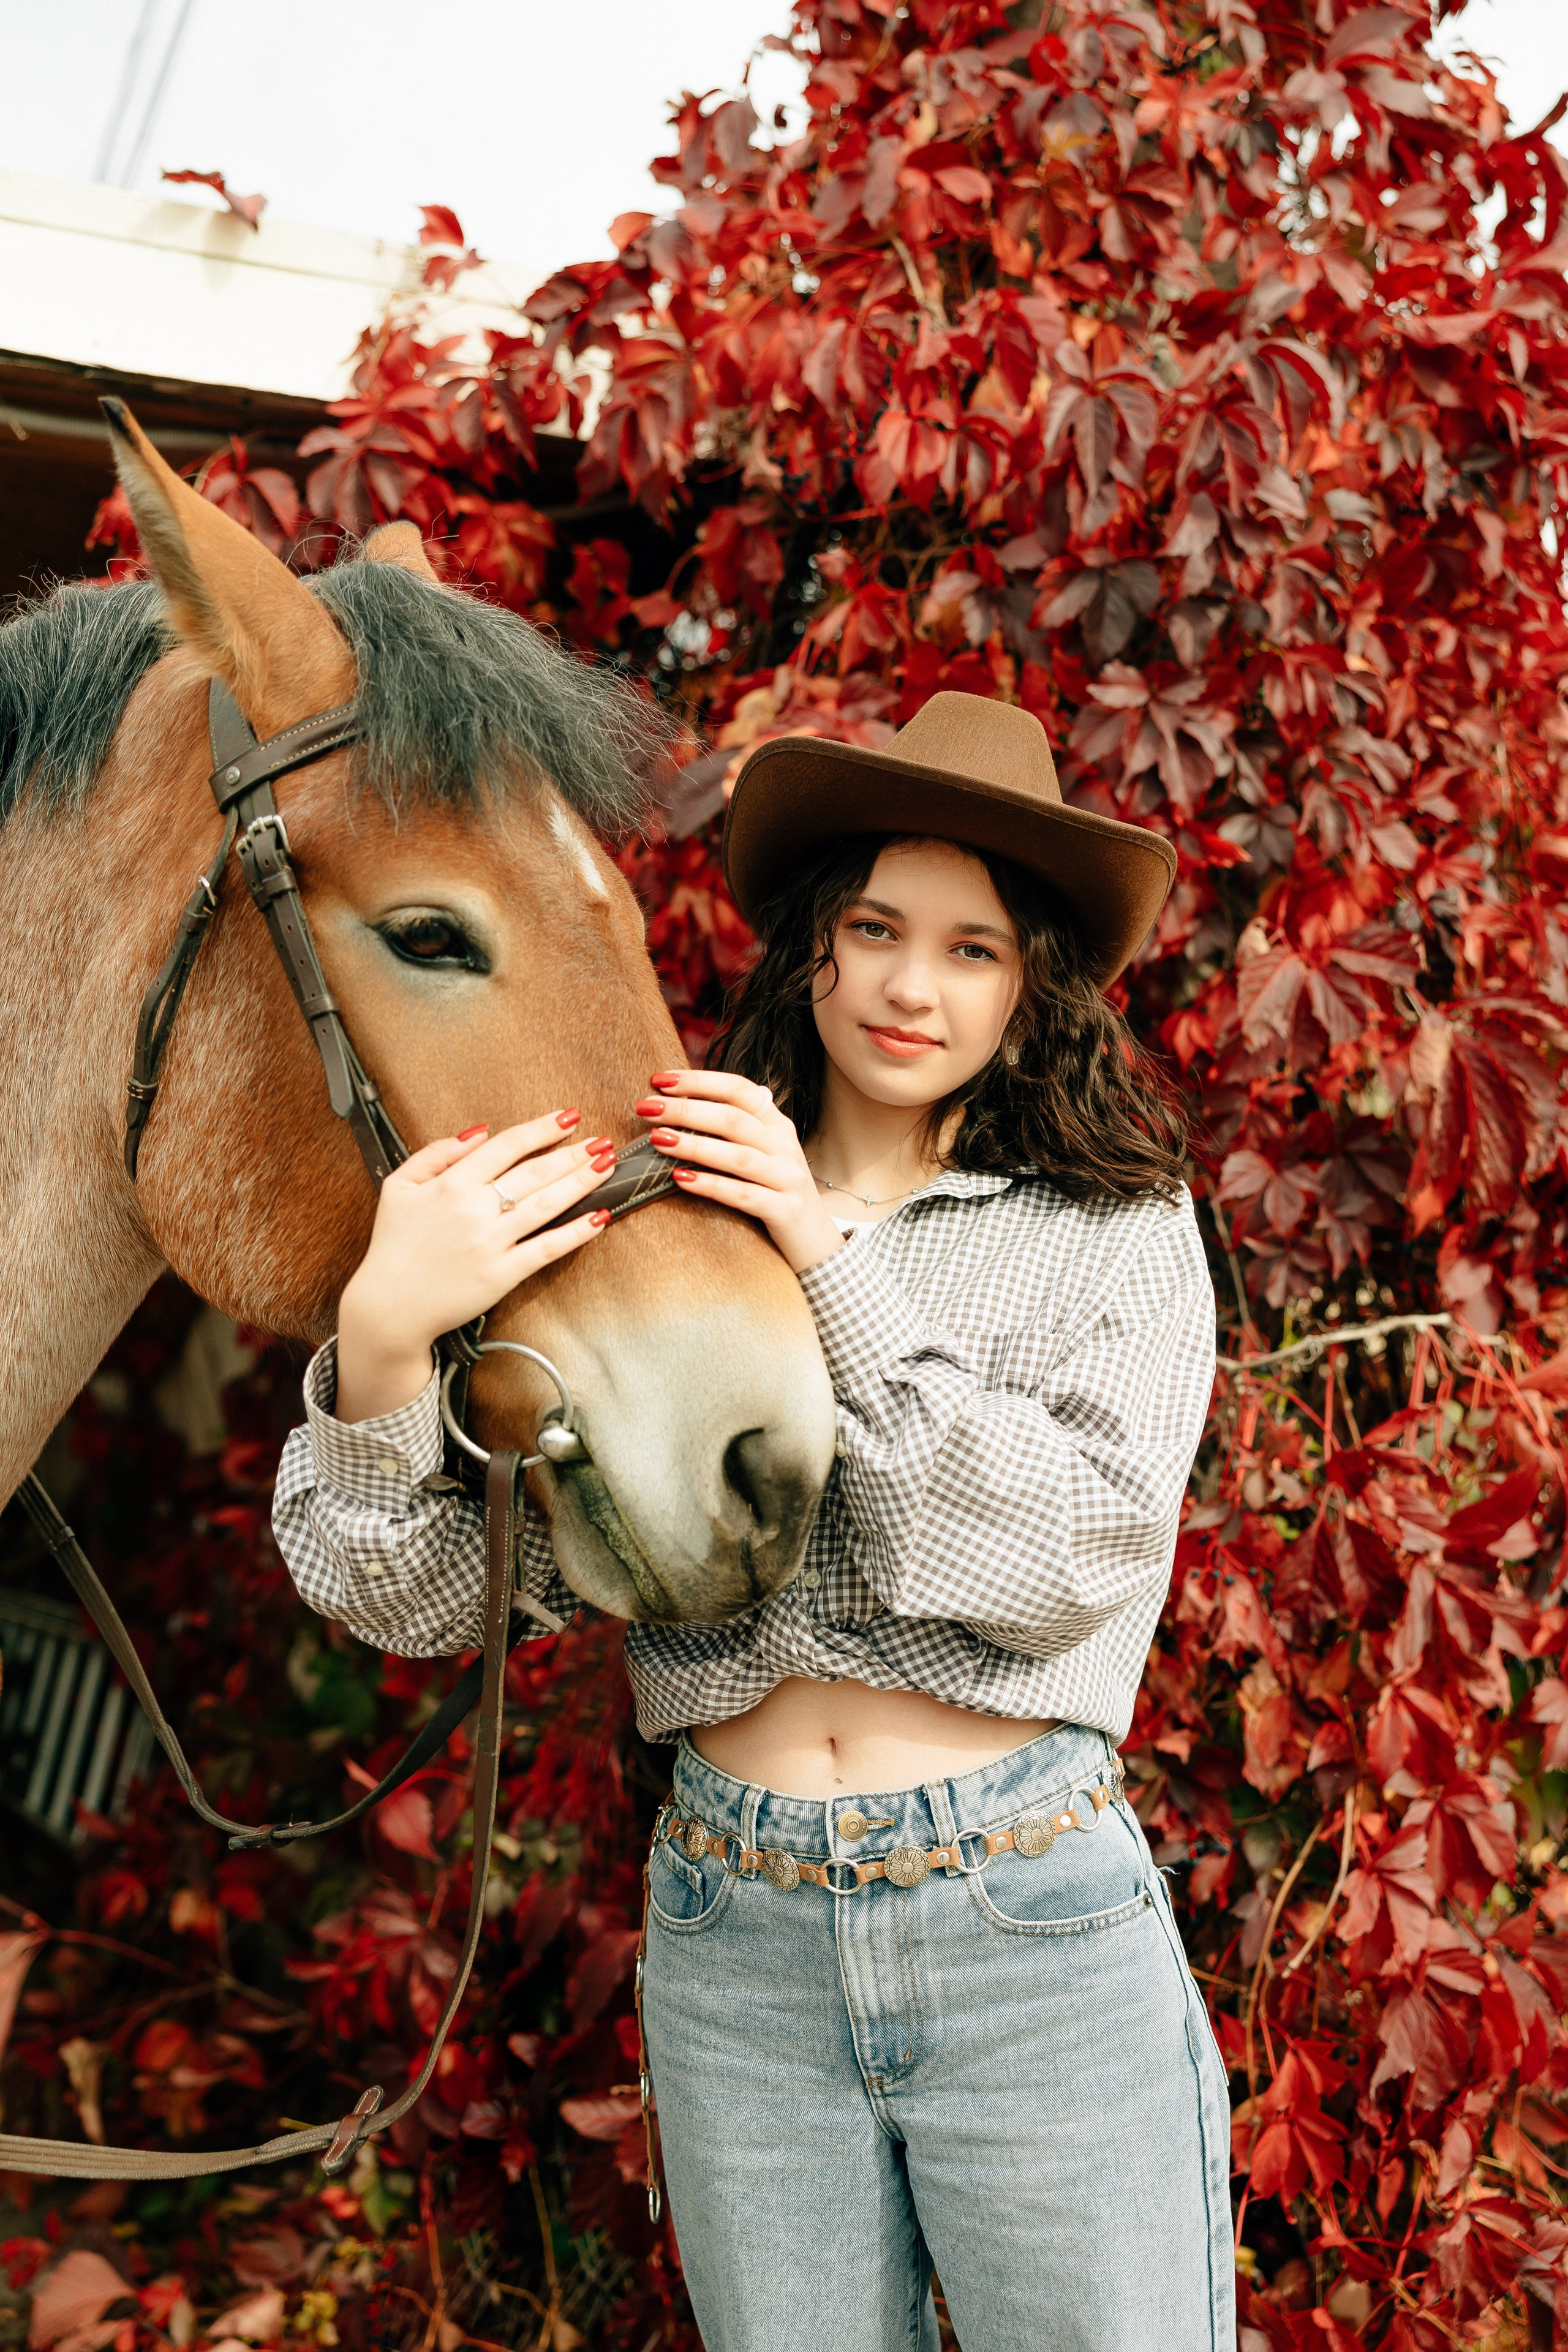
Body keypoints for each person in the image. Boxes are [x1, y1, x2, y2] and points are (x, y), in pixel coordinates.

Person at [273, 691, 1229, 2352]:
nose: (912, 988)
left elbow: (1070, 1560)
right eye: (875, 930)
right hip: (740, 1937)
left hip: (1029, 1923)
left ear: (1033, 989)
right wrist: (383, 1348)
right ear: (816, 953)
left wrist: (822, 1251)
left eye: (972, 950)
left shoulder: (1113, 1233)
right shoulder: (648, 1229)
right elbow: (430, 1598)